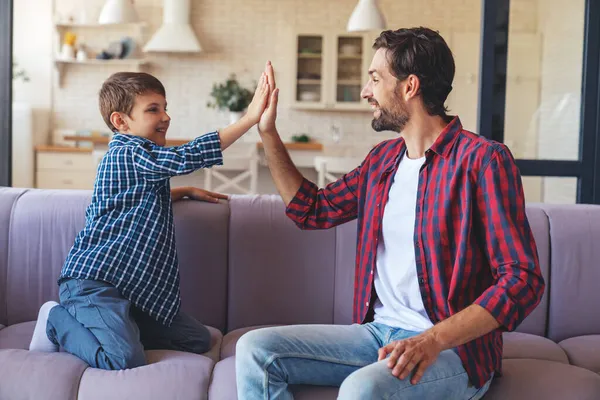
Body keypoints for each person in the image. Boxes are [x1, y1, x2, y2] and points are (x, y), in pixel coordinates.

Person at [236, 28, 545, 399]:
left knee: (361, 389)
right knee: (255, 349)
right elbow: (311, 210)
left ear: (409, 86)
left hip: (453, 350)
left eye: (375, 79)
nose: (367, 91)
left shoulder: (482, 161)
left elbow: (522, 280)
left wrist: (432, 339)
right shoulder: (382, 162)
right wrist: (268, 133)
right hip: (378, 335)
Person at [28, 67, 270, 370]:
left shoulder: (139, 158)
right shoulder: (128, 153)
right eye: (153, 109)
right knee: (124, 358)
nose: (165, 116)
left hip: (132, 292)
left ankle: (125, 326)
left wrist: (177, 193)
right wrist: (249, 119)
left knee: (198, 340)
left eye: (165, 107)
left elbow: (123, 202)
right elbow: (188, 156)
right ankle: (55, 320)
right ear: (121, 121)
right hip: (94, 284)